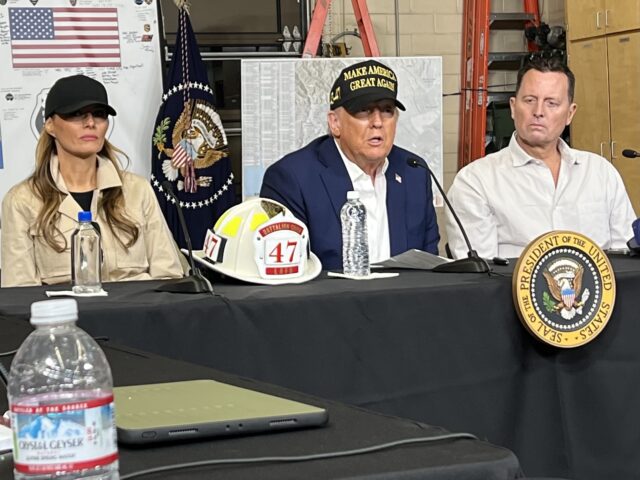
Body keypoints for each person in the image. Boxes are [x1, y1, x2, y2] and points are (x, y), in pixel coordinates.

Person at [1, 74, 184, 287]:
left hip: (137, 316)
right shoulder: (22, 201)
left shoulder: (137, 190)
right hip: (67, 319)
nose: (90, 123)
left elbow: (169, 277)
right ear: (50, 125)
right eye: (76, 114)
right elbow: (19, 295)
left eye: (99, 114)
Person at [446, 56, 636, 259]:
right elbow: (478, 279)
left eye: (551, 103)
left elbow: (626, 258)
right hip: (511, 290)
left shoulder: (600, 172)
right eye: (529, 100)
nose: (538, 112)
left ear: (570, 113)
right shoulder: (475, 181)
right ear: (512, 106)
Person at [260, 59, 440, 270]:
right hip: (328, 301)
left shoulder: (414, 172)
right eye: (364, 111)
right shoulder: (292, 178)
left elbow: (429, 267)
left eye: (387, 110)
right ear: (335, 122)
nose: (378, 122)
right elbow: (286, 274)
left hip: (404, 301)